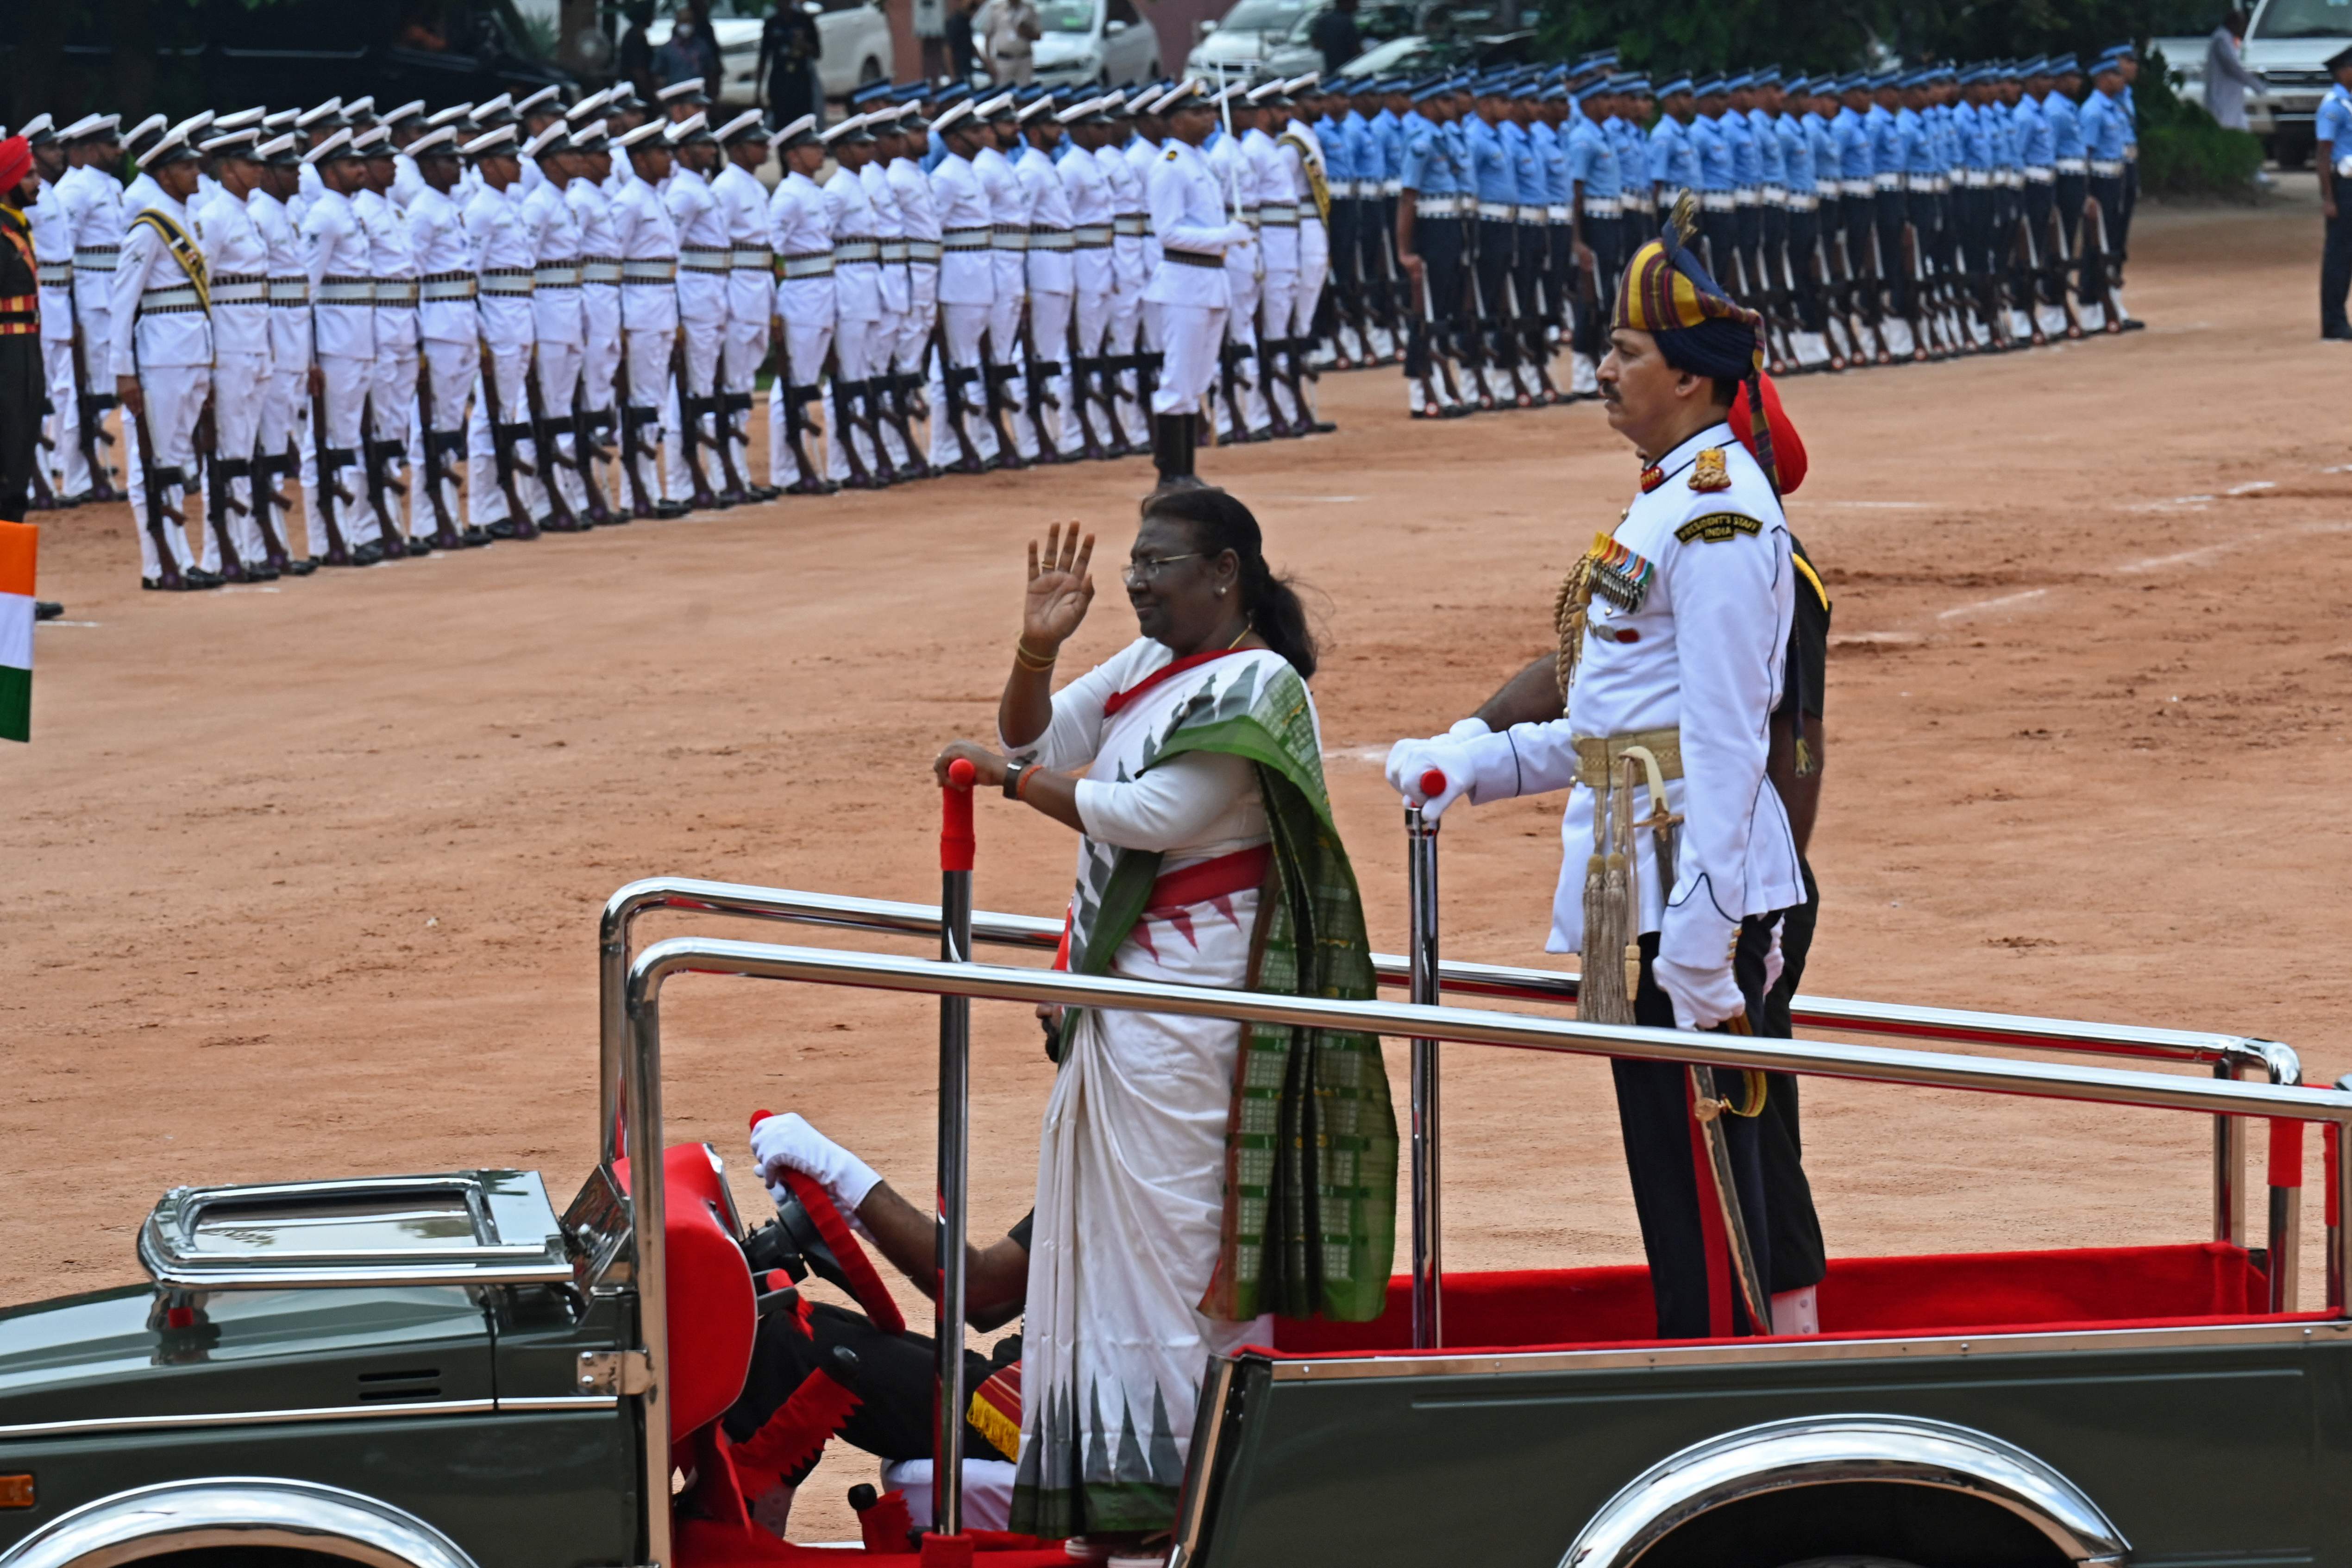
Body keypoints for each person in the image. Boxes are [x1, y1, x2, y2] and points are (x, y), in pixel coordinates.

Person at [1384, 200, 1822, 1342]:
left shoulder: (1719, 516)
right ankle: (1710, 1360)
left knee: (1708, 1183)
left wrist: (1704, 928)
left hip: (1683, 883)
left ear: (1689, 376)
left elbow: (1726, 736)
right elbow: (1614, 720)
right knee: (1668, 1175)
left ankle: (1732, 1382)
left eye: (1625, 351)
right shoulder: (1668, 499)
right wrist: (1477, 762)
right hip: (1634, 872)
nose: (1604, 370)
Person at [931, 492, 1396, 1546]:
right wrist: (1035, 648)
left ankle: (1192, 1507)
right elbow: (1033, 731)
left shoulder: (1258, 683)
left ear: (1223, 572)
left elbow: (1155, 815)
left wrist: (1012, 783)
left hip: (1194, 1009)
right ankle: (1116, 1505)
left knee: (1183, 1253)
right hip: (1126, 1000)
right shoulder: (1147, 663)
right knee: (1107, 1255)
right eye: (1134, 563)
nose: (1137, 582)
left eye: (1159, 563)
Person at [728, 1107, 1041, 1536]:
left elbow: (980, 1290)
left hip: (1044, 1413)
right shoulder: (1116, 1163)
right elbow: (986, 1306)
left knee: (786, 1348)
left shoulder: (1119, 1176)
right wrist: (846, 1203)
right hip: (1029, 1383)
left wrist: (841, 1176)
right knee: (799, 1329)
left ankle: (733, 1547)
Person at [113, 124, 216, 591]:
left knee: (176, 457)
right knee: (151, 460)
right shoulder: (150, 227)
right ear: (164, 173)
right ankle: (158, 563)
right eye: (186, 166)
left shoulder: (189, 218)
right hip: (161, 351)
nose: (196, 172)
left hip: (192, 347)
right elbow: (122, 304)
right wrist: (123, 371)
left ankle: (181, 556)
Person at [1142, 82, 1248, 488]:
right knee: (1178, 379)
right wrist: (1225, 235)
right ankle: (1171, 473)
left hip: (1210, 279)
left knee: (1198, 379)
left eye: (1209, 111)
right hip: (1184, 280)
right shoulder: (1170, 165)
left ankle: (1186, 470)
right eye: (1198, 112)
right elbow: (1167, 232)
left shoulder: (1200, 161)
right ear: (1175, 122)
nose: (1209, 118)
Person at [0, 135, 44, 533]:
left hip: (26, 350)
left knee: (18, 469)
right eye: (28, 175)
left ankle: (11, 578)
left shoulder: (17, 229)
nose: (37, 182)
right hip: (6, 358)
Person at [2317, 45, 2352, 339]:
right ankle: (2334, 323)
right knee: (2339, 256)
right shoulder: (2333, 105)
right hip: (2344, 186)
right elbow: (2323, 154)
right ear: (2343, 72)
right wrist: (2328, 198)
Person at [759, 0, 823, 133]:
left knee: (802, 122)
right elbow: (764, 57)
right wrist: (758, 89)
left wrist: (803, 44)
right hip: (780, 80)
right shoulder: (772, 23)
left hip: (800, 81)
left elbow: (818, 53)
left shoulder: (804, 21)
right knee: (781, 123)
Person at [2206, 11, 2260, 132]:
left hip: (2231, 100)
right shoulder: (2221, 40)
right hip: (2222, 99)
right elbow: (2233, 67)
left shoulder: (2228, 39)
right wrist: (2255, 84)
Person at [654, 4, 724, 95]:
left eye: (689, 21)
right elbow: (657, 74)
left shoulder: (702, 47)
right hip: (675, 96)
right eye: (683, 21)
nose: (686, 25)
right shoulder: (667, 49)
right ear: (677, 23)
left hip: (698, 95)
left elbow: (712, 72)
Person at [974, 0, 1041, 87]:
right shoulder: (997, 9)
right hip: (1004, 60)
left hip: (1024, 59)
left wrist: (1026, 31)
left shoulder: (1029, 9)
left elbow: (1038, 36)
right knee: (1004, 90)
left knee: (1025, 90)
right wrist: (989, 62)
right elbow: (988, 36)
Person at [1309, 0, 1361, 77]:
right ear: (1345, 3)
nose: (1357, 6)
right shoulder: (1346, 22)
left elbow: (1316, 44)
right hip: (1350, 69)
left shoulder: (1323, 21)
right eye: (1355, 2)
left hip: (1331, 70)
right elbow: (1356, 49)